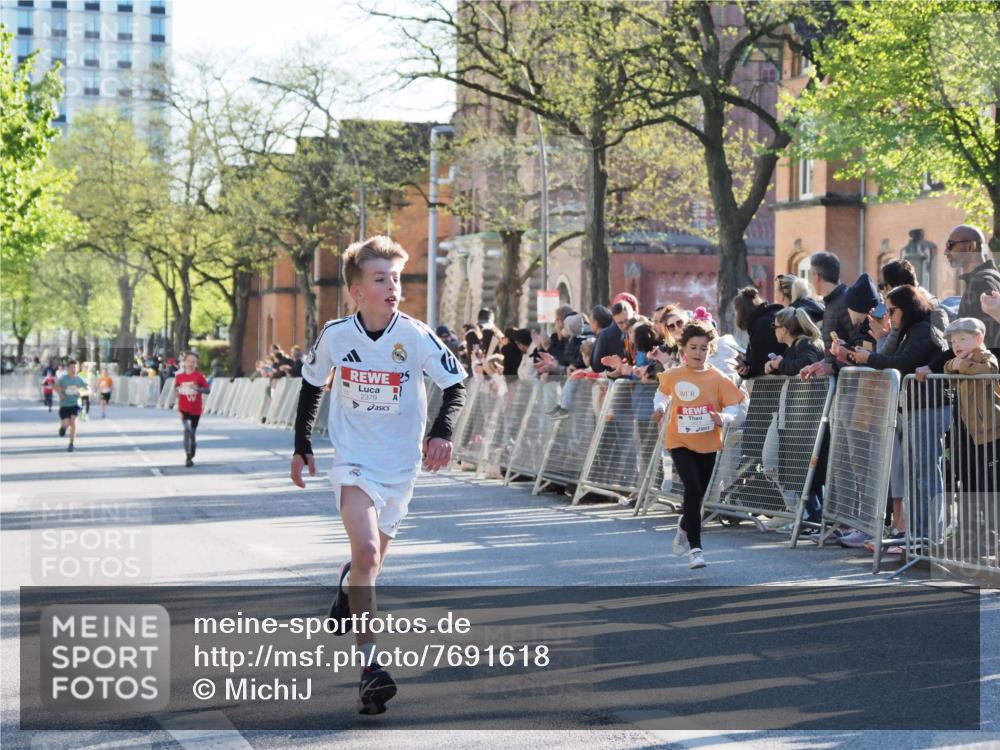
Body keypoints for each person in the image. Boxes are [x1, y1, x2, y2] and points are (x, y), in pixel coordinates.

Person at [290, 236, 467, 715]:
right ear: (356, 291)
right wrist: (302, 445)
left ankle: (350, 588)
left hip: (400, 466)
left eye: (397, 278)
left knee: (369, 566)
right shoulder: (336, 335)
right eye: (380, 278)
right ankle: (371, 669)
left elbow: (455, 384)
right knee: (366, 551)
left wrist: (441, 433)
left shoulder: (414, 335)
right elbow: (311, 386)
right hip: (354, 460)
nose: (393, 287)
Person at [851, 285, 949, 546]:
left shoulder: (923, 328)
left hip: (929, 407)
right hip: (918, 406)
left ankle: (929, 538)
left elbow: (903, 363)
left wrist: (869, 357)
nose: (890, 316)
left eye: (892, 310)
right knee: (915, 475)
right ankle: (918, 537)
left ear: (907, 308)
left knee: (925, 474)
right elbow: (899, 358)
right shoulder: (914, 328)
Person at [653, 322, 747, 569]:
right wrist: (660, 407)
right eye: (693, 347)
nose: (698, 353)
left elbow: (734, 406)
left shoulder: (718, 378)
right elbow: (662, 392)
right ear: (683, 348)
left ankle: (685, 526)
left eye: (703, 348)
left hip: (708, 443)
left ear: (710, 350)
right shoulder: (674, 374)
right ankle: (696, 549)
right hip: (680, 441)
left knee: (698, 495)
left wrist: (723, 418)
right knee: (692, 489)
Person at [944, 224, 1000, 354]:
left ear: (971, 247)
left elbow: (971, 341)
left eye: (950, 245)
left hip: (982, 370)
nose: (946, 252)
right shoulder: (988, 278)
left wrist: (931, 367)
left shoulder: (982, 282)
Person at [800, 252, 853, 379]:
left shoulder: (845, 302)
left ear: (817, 276)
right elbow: (834, 353)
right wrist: (819, 365)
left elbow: (861, 345)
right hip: (841, 384)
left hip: (852, 386)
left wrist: (834, 367)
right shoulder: (832, 302)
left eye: (810, 275)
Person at [733, 286, 786, 379]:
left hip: (772, 383)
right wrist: (746, 366)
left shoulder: (761, 325)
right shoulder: (766, 318)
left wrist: (747, 367)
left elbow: (759, 361)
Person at [174, 352, 211, 467]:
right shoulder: (179, 377)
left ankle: (193, 447)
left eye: (194, 362)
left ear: (196, 364)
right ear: (184, 363)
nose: (191, 363)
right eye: (189, 361)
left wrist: (197, 388)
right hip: (183, 408)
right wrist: (177, 392)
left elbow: (207, 390)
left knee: (192, 432)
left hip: (195, 409)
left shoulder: (199, 376)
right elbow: (176, 389)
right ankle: (188, 457)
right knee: (186, 430)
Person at [55, 360, 88, 452]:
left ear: (77, 369)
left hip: (75, 404)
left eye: (75, 367)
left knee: (73, 422)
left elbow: (89, 390)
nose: (73, 369)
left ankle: (71, 443)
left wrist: (82, 393)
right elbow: (55, 386)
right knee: (66, 424)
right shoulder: (63, 379)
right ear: (67, 369)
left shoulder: (79, 379)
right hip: (65, 405)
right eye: (71, 367)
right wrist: (60, 394)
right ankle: (63, 428)